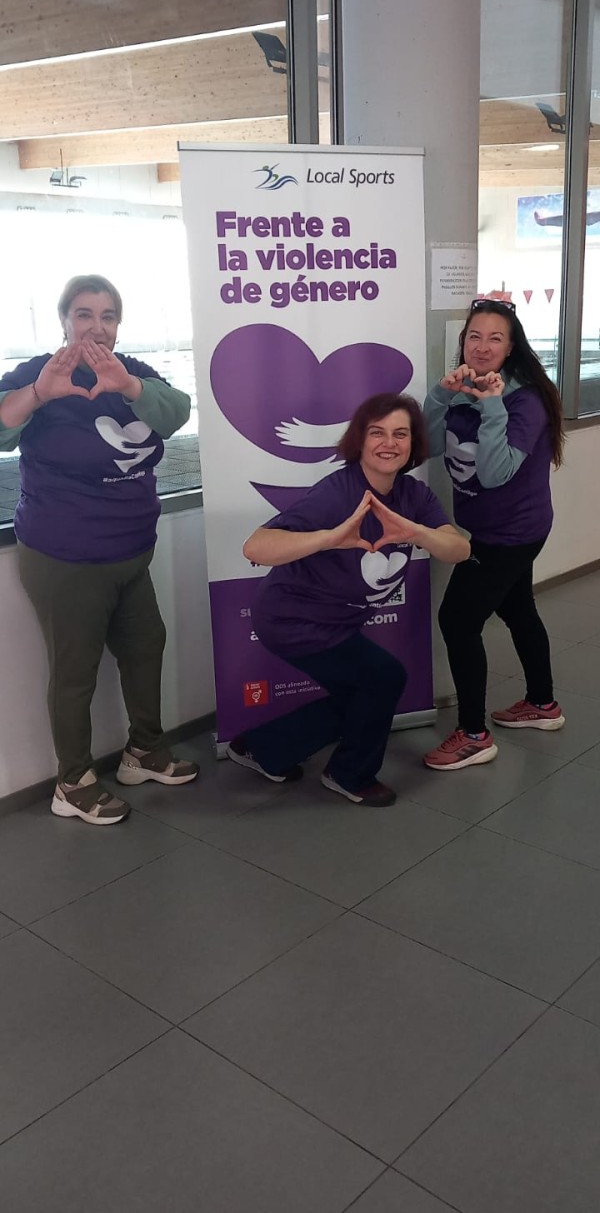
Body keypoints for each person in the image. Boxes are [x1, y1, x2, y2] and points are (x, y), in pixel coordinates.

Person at [0, 274, 199, 825]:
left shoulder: (132, 372)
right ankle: (73, 782)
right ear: (65, 320)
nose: (96, 326)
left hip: (130, 552)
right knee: (76, 673)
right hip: (65, 557)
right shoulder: (37, 374)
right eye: (84, 314)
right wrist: (40, 394)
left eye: (107, 316)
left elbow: (176, 412)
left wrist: (128, 387)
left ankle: (144, 751)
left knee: (146, 647)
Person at [226, 392, 470, 806]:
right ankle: (349, 774)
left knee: (362, 692)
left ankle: (262, 747)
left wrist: (417, 532)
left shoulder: (413, 496)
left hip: (335, 622)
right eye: (377, 433)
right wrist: (329, 538)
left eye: (400, 434)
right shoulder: (338, 494)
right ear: (360, 440)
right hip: (291, 619)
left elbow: (459, 549)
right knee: (383, 678)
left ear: (413, 443)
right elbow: (256, 547)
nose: (389, 443)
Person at [422, 295, 565, 771]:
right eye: (474, 337)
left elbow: (494, 473)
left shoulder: (526, 400)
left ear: (511, 347)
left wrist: (492, 406)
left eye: (495, 339)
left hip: (510, 534)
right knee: (518, 608)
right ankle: (543, 704)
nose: (482, 347)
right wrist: (441, 395)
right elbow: (424, 446)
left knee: (457, 620)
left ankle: (473, 735)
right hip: (487, 527)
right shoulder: (464, 387)